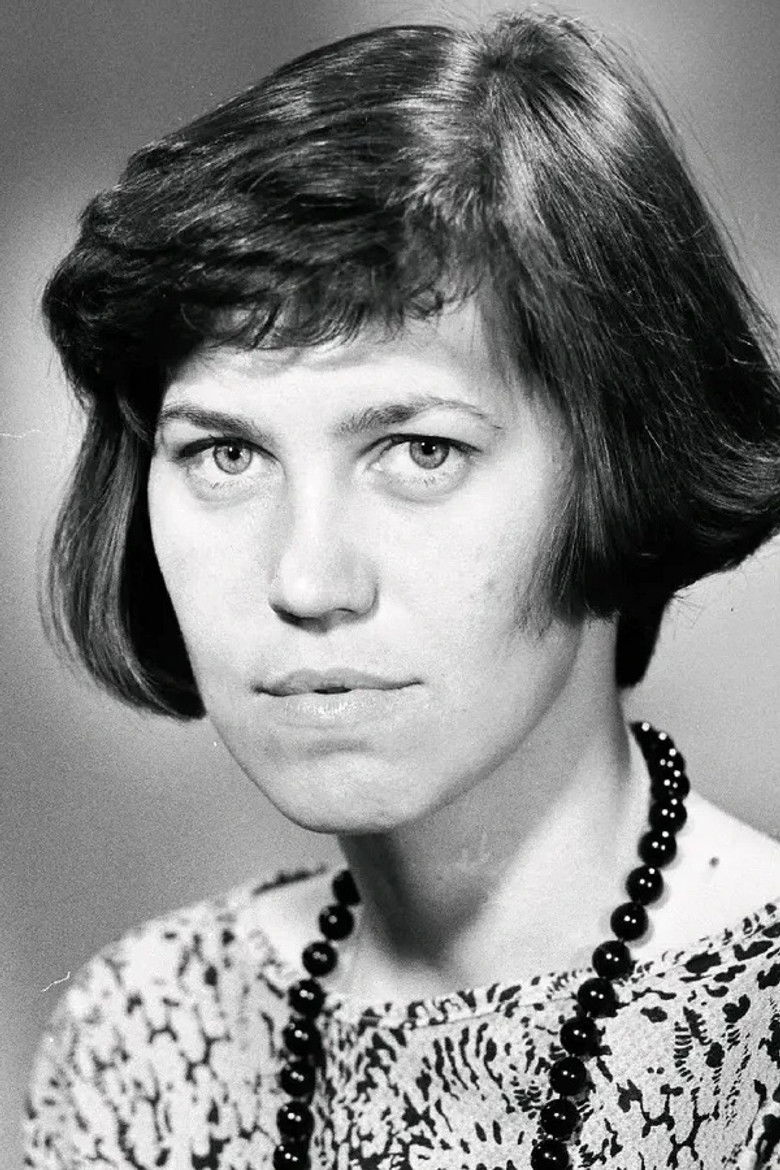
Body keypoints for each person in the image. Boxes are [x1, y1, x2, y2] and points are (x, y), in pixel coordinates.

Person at [23, 9, 780, 1169]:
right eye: (226, 454)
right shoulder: (143, 1034)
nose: (306, 579)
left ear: (626, 463)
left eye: (421, 452)